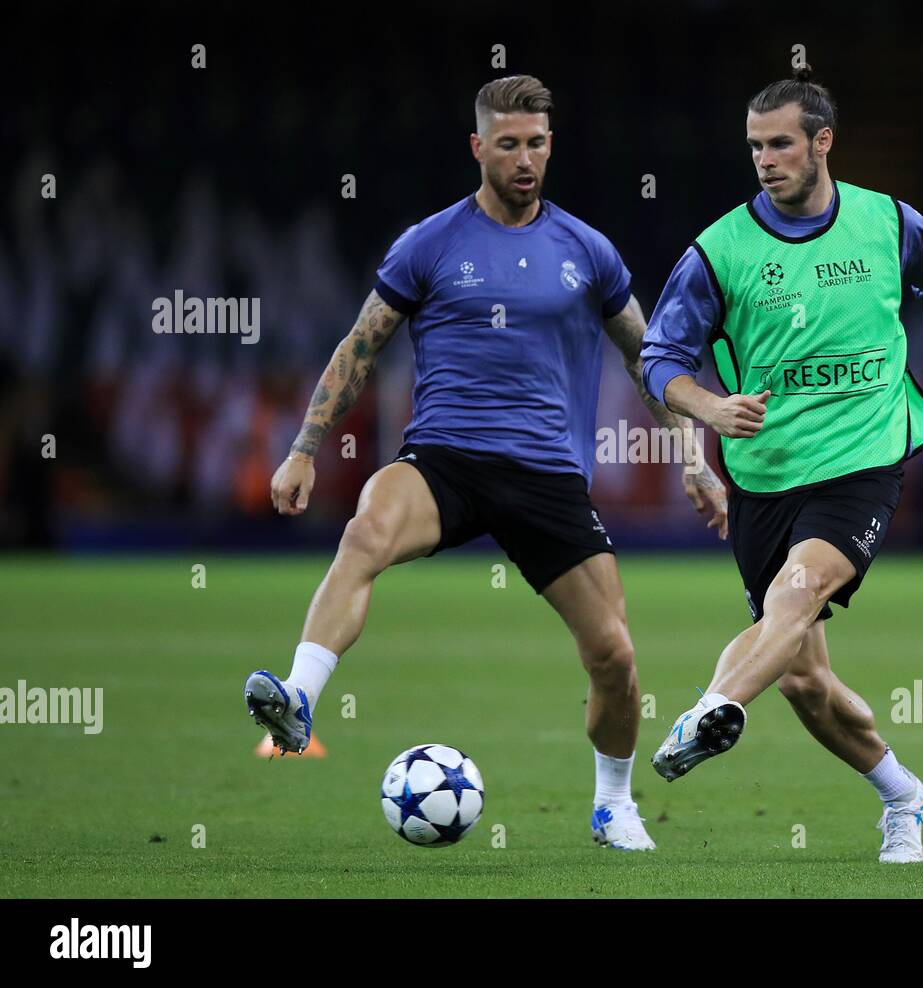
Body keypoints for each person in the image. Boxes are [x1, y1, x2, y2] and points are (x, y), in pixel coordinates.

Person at [244, 75, 728, 851]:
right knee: (366, 532)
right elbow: (360, 347)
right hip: (446, 460)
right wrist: (304, 447)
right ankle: (299, 698)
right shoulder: (430, 244)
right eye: (509, 144)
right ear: (478, 148)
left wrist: (693, 460)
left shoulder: (587, 252)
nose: (526, 158)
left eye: (538, 143)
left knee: (614, 655)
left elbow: (651, 358)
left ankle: (612, 805)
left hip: (547, 477)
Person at [641, 68, 923, 863]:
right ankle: (902, 796)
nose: (766, 160)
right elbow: (659, 358)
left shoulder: (889, 223)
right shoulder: (718, 252)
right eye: (754, 147)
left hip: (862, 463)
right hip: (764, 476)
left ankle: (710, 708)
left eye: (781, 144)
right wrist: (709, 410)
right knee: (804, 681)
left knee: (800, 588)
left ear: (823, 143)